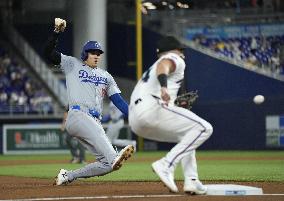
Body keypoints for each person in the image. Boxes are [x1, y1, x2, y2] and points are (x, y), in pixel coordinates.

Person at [44, 18, 134, 186]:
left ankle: (68, 176)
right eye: (93, 52)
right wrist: (56, 32)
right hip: (77, 115)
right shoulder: (72, 64)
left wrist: (134, 115)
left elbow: (119, 101)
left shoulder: (106, 76)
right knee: (112, 157)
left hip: (94, 121)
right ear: (85, 53)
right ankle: (115, 156)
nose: (96, 55)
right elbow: (48, 52)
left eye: (98, 53)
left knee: (108, 165)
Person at [129, 36, 213, 194]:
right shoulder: (172, 58)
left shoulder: (150, 70)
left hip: (136, 120)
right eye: (181, 50)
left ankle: (192, 181)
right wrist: (164, 88)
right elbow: (164, 65)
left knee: (189, 134)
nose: (182, 54)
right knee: (205, 128)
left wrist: (171, 103)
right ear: (174, 50)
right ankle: (166, 165)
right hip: (152, 107)